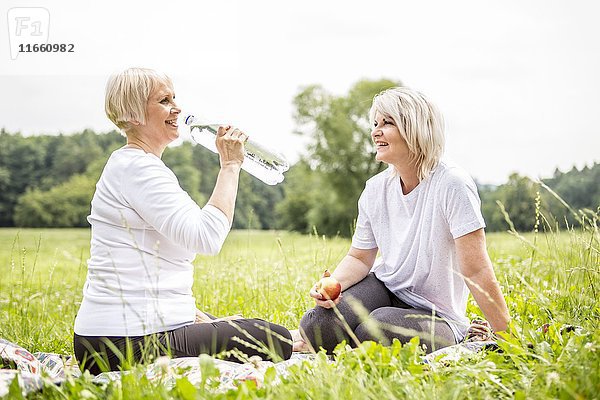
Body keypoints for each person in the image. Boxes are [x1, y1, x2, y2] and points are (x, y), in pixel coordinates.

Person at [73, 68, 291, 374]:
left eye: (175, 97)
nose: (176, 107)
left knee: (236, 326)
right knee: (274, 339)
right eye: (164, 100)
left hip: (113, 338)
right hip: (121, 342)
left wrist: (194, 316)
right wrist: (230, 165)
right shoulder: (139, 170)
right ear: (133, 114)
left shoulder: (134, 165)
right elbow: (207, 237)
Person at [296, 87, 510, 354]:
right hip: (386, 288)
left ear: (416, 129)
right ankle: (347, 341)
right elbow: (360, 258)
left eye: (387, 123)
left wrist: (508, 336)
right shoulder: (375, 189)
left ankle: (454, 336)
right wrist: (331, 288)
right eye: (375, 124)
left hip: (437, 314)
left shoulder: (453, 184)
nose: (375, 131)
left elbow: (476, 271)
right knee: (318, 325)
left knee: (377, 329)